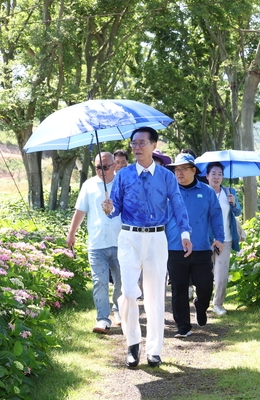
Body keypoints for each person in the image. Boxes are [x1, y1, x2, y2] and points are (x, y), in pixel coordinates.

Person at [102, 126, 193, 369]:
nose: (136, 147)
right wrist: (110, 209)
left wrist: (185, 233)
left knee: (155, 296)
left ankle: (154, 350)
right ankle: (133, 345)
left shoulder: (165, 177)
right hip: (129, 238)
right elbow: (117, 209)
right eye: (133, 143)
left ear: (154, 145)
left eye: (141, 143)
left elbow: (177, 205)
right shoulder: (123, 175)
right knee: (129, 293)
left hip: (156, 240)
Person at [165, 153, 224, 338]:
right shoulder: (169, 192)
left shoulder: (206, 192)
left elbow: (216, 215)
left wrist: (219, 238)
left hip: (201, 247)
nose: (179, 172)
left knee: (205, 285)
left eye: (183, 169)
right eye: (176, 169)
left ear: (194, 170)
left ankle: (201, 305)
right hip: (175, 248)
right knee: (179, 288)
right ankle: (183, 327)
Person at [67, 152, 123, 334]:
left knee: (121, 282)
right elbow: (80, 211)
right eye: (98, 167)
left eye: (106, 166)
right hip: (97, 243)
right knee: (99, 282)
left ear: (114, 165)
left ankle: (119, 310)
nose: (101, 170)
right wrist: (71, 233)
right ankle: (102, 319)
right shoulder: (89, 185)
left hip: (121, 241)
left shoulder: (122, 183)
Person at [205, 161, 242, 316]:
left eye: (220, 174)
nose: (217, 177)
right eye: (213, 173)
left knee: (221, 274)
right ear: (207, 176)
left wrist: (233, 204)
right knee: (205, 273)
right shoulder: (203, 192)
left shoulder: (229, 192)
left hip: (225, 240)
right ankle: (202, 300)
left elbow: (238, 212)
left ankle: (218, 304)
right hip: (206, 240)